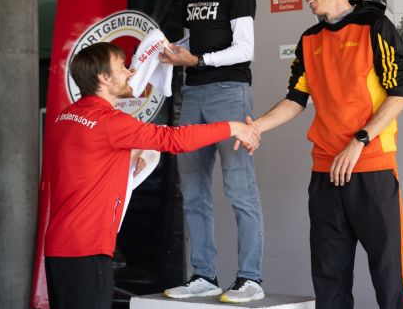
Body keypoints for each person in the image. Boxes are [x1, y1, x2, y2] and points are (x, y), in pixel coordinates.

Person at [248, 0, 403, 309]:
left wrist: (359, 141)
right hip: (325, 173)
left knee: (391, 277)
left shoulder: (375, 25)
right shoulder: (309, 39)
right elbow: (296, 99)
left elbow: (398, 96)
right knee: (329, 279)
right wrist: (256, 127)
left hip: (371, 167)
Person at [42, 42, 259, 309]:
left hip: (58, 247)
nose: (130, 72)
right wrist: (232, 127)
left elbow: (86, 162)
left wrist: (131, 155)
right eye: (121, 67)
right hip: (87, 249)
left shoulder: (65, 117)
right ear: (104, 78)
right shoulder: (111, 122)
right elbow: (174, 139)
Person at [160, 0, 265, 303]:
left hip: (229, 93)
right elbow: (195, 40)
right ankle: (203, 274)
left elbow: (245, 49)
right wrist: (175, 51)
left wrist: (198, 60)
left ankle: (250, 278)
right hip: (193, 93)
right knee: (192, 189)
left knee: (239, 188)